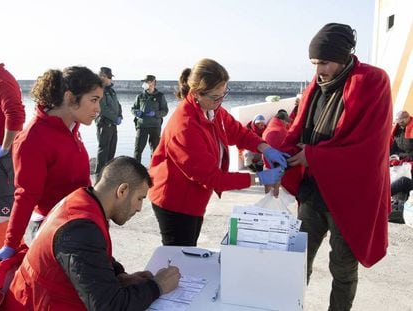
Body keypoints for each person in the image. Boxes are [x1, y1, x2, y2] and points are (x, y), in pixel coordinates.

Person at [279, 23, 392, 310]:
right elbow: (297, 130)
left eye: (324, 62)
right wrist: (277, 155)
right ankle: (290, 305)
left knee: (342, 268)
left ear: (343, 57)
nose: (319, 70)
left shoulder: (373, 81)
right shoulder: (316, 87)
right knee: (296, 260)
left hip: (350, 197)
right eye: (315, 63)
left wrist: (313, 156)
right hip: (314, 192)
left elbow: (369, 148)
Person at [3, 156, 180, 310]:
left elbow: (91, 258)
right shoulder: (80, 229)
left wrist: (119, 275)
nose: (140, 208)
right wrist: (157, 286)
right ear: (122, 191)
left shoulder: (83, 201)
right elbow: (109, 306)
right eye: (140, 198)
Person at [149, 58, 288, 246]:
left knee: (189, 248)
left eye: (224, 94)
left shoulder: (212, 109)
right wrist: (259, 178)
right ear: (197, 93)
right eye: (216, 97)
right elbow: (213, 178)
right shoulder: (185, 127)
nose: (220, 101)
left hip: (195, 198)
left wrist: (265, 147)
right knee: (179, 254)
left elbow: (237, 132)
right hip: (175, 201)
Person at [0, 66, 103, 260]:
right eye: (94, 100)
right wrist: (11, 244)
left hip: (78, 219)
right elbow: (26, 195)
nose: (98, 109)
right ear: (71, 98)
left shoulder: (72, 128)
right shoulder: (33, 138)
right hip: (54, 229)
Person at [0, 64, 25, 217]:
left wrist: (5, 147)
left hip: (3, 159)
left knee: (3, 210)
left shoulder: (3, 80)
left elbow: (16, 116)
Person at [131, 75, 168, 163]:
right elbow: (133, 108)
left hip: (155, 127)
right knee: (138, 150)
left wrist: (155, 114)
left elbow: (165, 111)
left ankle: (153, 170)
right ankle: (136, 171)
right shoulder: (140, 96)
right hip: (142, 126)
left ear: (152, 83)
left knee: (155, 150)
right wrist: (136, 112)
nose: (144, 84)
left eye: (146, 82)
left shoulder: (160, 96)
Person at [95, 67, 123, 177]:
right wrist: (114, 118)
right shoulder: (99, 90)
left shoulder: (111, 90)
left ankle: (108, 176)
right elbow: (103, 108)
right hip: (104, 124)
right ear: (102, 77)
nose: (111, 79)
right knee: (103, 152)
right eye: (109, 77)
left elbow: (118, 104)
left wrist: (120, 115)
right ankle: (98, 176)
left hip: (113, 126)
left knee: (111, 151)